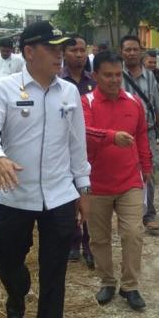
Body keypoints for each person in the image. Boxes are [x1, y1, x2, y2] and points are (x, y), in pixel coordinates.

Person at [0, 21, 90, 318]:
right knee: (7, 260)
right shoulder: (4, 89)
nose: (61, 55)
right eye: (53, 48)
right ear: (29, 51)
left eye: (62, 49)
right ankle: (16, 292)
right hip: (15, 195)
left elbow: (76, 146)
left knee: (55, 272)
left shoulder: (69, 93)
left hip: (58, 197)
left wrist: (82, 189)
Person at [82, 51, 152, 311]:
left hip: (129, 181)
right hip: (95, 183)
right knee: (99, 238)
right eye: (107, 75)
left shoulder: (134, 103)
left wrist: (146, 166)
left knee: (133, 233)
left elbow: (142, 135)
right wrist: (112, 136)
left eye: (117, 75)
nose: (113, 80)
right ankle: (107, 281)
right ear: (95, 75)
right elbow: (83, 132)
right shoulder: (86, 102)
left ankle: (130, 286)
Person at [120, 35, 159, 235]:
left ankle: (149, 214)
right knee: (123, 172)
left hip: (146, 133)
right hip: (122, 135)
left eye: (134, 49)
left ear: (141, 51)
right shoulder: (115, 75)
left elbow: (154, 106)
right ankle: (126, 212)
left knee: (149, 172)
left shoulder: (150, 76)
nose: (131, 53)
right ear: (122, 52)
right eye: (127, 49)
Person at [61, 37, 96, 266]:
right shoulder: (57, 82)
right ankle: (72, 242)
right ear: (64, 53)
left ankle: (89, 244)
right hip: (64, 150)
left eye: (83, 50)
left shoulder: (94, 82)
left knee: (88, 197)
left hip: (91, 149)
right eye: (74, 50)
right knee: (70, 199)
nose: (80, 54)